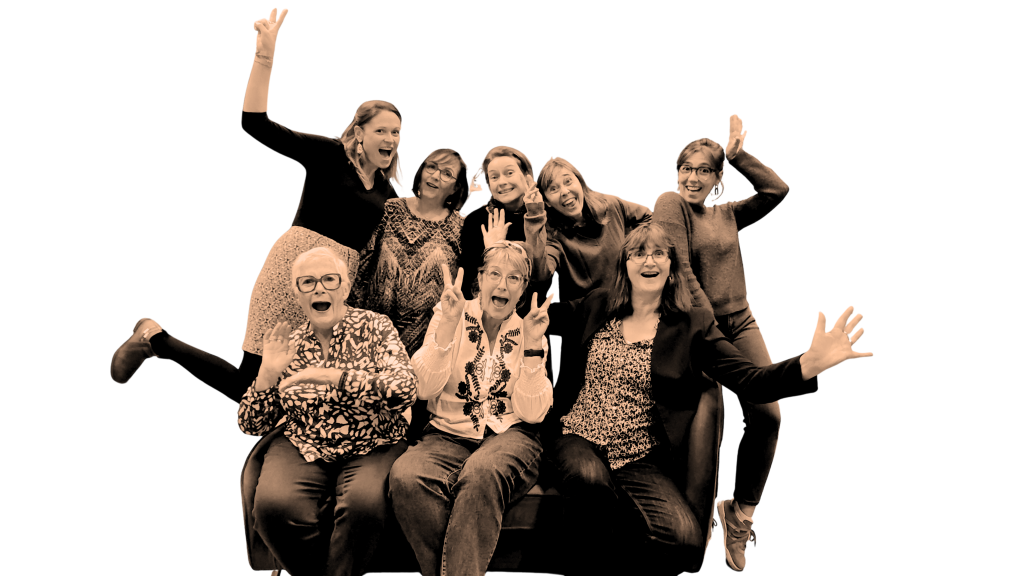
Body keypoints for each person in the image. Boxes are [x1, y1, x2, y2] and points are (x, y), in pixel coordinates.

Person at [109, 8, 405, 399]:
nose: (391, 139)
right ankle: (153, 338)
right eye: (382, 130)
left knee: (302, 382)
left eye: (397, 132)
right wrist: (264, 57)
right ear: (359, 132)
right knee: (252, 380)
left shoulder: (386, 189)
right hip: (294, 267)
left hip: (336, 285)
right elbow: (256, 127)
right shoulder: (330, 154)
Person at [546, 223, 872, 574]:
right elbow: (544, 319)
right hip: (579, 435)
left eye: (658, 253)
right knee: (589, 479)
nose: (648, 260)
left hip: (638, 455)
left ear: (672, 268)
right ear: (624, 265)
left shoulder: (692, 325)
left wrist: (806, 365)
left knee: (685, 538)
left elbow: (750, 380)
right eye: (638, 253)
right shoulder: (597, 304)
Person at [651, 114, 790, 571]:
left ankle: (740, 512)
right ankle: (696, 527)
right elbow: (681, 270)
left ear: (718, 180)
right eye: (686, 168)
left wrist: (739, 155)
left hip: (742, 320)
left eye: (705, 170)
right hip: (697, 329)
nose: (693, 178)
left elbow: (777, 190)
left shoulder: (727, 213)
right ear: (677, 173)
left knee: (769, 413)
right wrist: (710, 333)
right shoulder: (670, 204)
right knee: (712, 427)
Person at [237, 246, 417, 576]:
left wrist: (335, 377)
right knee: (273, 506)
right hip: (304, 440)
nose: (319, 288)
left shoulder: (376, 326)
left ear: (345, 288)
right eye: (308, 282)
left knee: (364, 505)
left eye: (329, 280)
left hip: (373, 439)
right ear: (297, 295)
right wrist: (267, 375)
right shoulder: (289, 343)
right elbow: (249, 425)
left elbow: (405, 390)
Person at [389, 242, 556, 576]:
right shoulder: (450, 312)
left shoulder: (530, 330)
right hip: (446, 433)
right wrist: (448, 325)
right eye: (494, 274)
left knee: (481, 472)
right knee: (406, 476)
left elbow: (533, 413)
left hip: (510, 435)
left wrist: (533, 346)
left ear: (523, 289)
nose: (502, 285)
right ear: (479, 279)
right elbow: (423, 389)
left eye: (514, 278)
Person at [347, 147, 470, 355]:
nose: (435, 176)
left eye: (447, 173)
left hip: (428, 345)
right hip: (372, 335)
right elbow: (362, 269)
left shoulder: (462, 226)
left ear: (455, 187)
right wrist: (353, 322)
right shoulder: (389, 209)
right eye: (432, 167)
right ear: (421, 171)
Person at [528, 155, 653, 303]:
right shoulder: (553, 234)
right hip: (591, 310)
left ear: (580, 182)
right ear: (547, 202)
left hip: (631, 298)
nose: (564, 191)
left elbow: (646, 215)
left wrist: (633, 251)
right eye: (553, 189)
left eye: (568, 181)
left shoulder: (609, 205)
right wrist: (534, 215)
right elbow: (541, 275)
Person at [456, 146, 546, 312]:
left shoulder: (544, 215)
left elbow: (544, 278)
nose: (502, 182)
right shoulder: (478, 219)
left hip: (533, 313)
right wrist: (492, 252)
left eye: (509, 173)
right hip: (486, 313)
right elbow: (466, 281)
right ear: (489, 186)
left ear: (527, 176)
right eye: (494, 177)